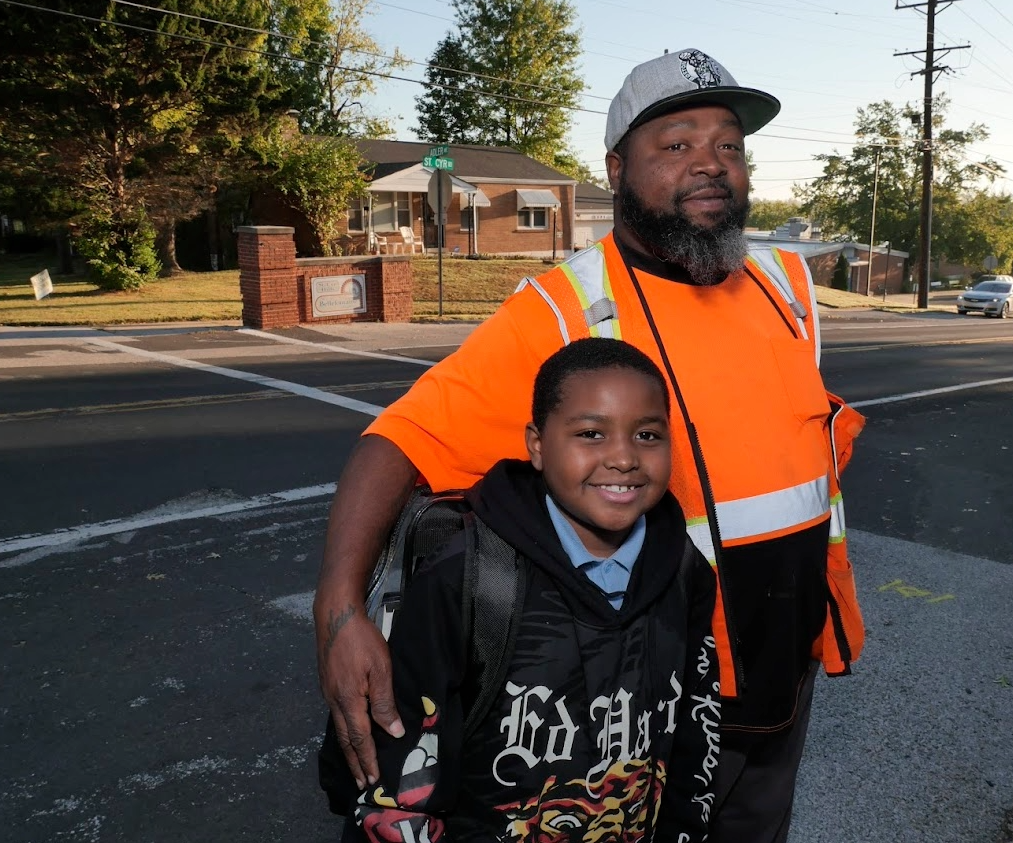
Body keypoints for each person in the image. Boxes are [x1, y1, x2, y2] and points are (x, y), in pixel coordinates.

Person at [314, 47, 866, 843]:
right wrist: (337, 611)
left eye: (727, 145)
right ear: (616, 169)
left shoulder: (787, 289)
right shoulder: (563, 307)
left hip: (785, 673)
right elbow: (400, 438)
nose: (709, 165)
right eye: (675, 145)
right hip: (656, 703)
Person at [341, 338, 719, 843]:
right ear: (537, 446)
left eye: (648, 435)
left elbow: (697, 728)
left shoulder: (685, 569)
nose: (624, 458)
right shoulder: (471, 579)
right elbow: (399, 775)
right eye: (591, 433)